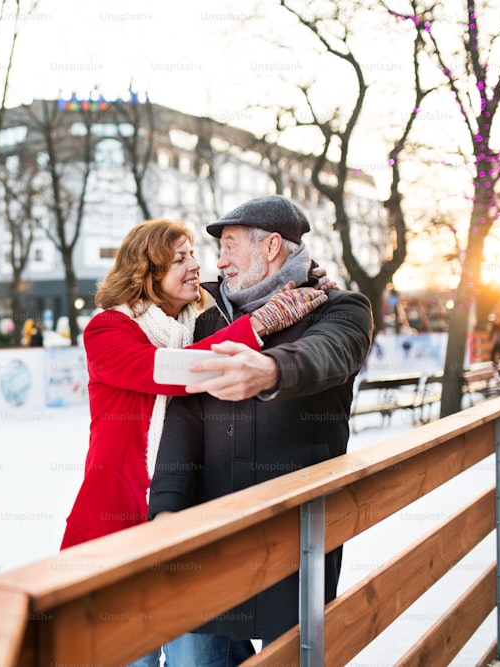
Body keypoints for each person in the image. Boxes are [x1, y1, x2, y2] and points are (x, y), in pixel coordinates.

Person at [58, 218, 328, 666]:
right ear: (147, 272)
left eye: (193, 256)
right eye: (180, 258)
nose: (195, 266)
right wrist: (261, 322)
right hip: (120, 518)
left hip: (185, 519)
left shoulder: (200, 322)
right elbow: (173, 371)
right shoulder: (107, 330)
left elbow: (249, 279)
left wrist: (303, 277)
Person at [147, 195, 373, 666]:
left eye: (229, 246)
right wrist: (167, 506)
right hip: (209, 536)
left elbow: (328, 354)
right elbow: (183, 416)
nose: (220, 260)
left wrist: (270, 369)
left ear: (271, 246)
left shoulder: (340, 308)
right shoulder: (207, 318)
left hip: (295, 534)